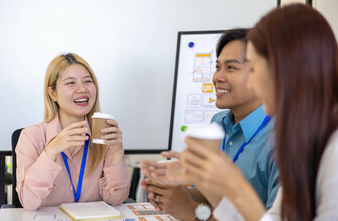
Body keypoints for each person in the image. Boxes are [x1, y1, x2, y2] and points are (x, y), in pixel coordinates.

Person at [179, 4, 338, 220]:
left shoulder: (331, 147)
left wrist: (231, 187)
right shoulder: (302, 136)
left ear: (285, 69)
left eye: (253, 68)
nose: (253, 83)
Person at [141, 29, 280, 220]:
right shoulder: (217, 124)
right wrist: (177, 193)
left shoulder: (282, 141)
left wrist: (191, 212)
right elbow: (210, 199)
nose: (217, 77)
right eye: (217, 67)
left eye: (231, 68)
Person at [16, 53, 130, 210]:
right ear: (53, 93)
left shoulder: (103, 135)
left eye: (88, 81)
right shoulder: (31, 136)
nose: (82, 89)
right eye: (70, 83)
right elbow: (29, 202)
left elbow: (116, 199)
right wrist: (51, 151)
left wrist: (117, 150)